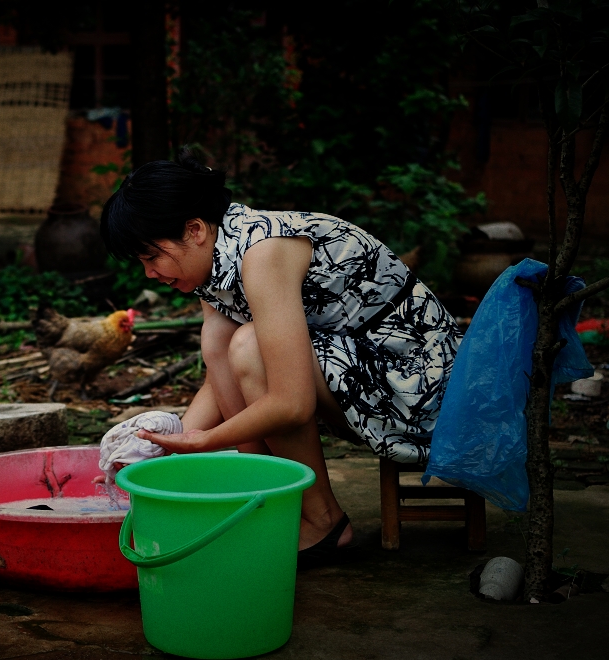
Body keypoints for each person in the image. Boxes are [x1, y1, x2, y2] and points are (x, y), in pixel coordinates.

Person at [99, 152, 461, 566]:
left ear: (195, 230)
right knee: (223, 344)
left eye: (152, 256)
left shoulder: (263, 251)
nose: (149, 273)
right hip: (366, 378)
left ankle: (324, 521)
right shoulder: (215, 262)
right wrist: (155, 451)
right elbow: (219, 377)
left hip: (422, 388)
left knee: (248, 347)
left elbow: (291, 402)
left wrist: (206, 442)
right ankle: (262, 500)